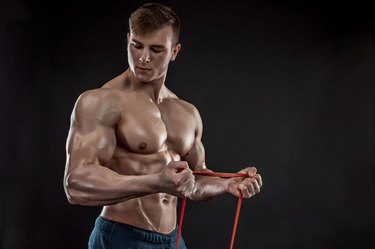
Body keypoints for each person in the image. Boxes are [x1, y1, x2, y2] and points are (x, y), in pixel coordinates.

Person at [63, 3, 263, 249]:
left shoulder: (187, 113)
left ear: (174, 51)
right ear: (128, 39)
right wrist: (156, 181)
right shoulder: (101, 101)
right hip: (121, 238)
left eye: (156, 49)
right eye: (136, 45)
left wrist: (227, 184)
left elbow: (193, 182)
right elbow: (75, 184)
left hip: (172, 240)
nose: (143, 57)